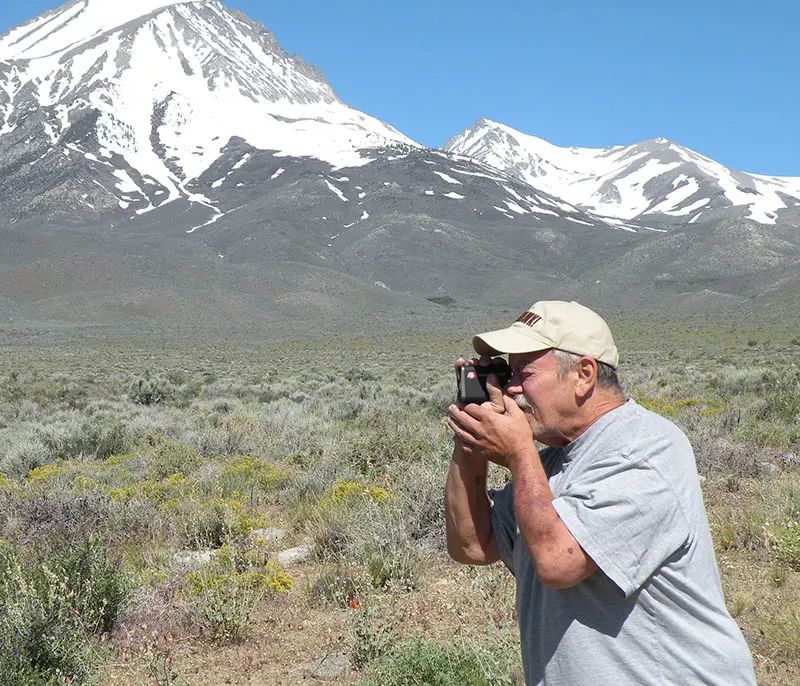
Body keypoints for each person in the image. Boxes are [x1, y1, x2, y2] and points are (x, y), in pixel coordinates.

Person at [444, 300, 756, 686]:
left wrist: (518, 452)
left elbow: (559, 562)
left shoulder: (645, 449)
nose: (510, 388)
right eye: (507, 374)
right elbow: (472, 546)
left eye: (523, 373)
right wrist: (470, 436)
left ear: (584, 374)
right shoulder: (553, 460)